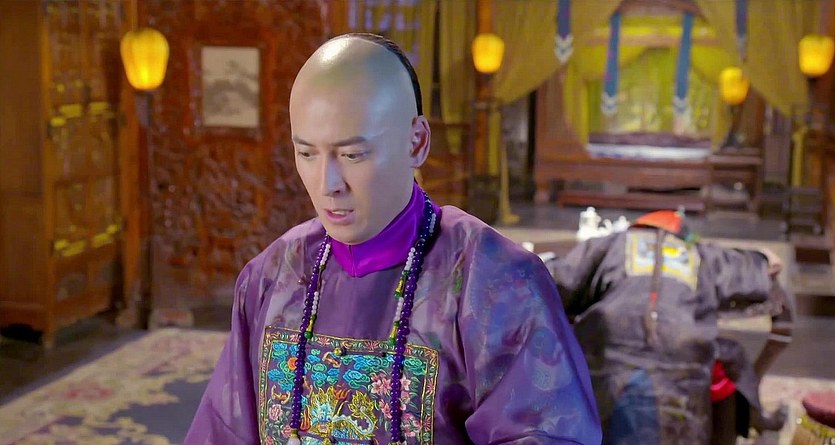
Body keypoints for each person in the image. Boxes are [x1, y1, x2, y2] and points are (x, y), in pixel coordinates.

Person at [184, 33, 601, 445]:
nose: (328, 184)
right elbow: (222, 431)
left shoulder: (493, 283)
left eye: (352, 154)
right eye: (307, 153)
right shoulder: (272, 277)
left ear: (416, 142)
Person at [541, 209, 789, 445]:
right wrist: (763, 258)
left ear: (637, 227)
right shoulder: (702, 254)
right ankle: (752, 421)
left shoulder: (611, 243)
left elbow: (557, 279)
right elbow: (770, 265)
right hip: (682, 361)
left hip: (610, 353)